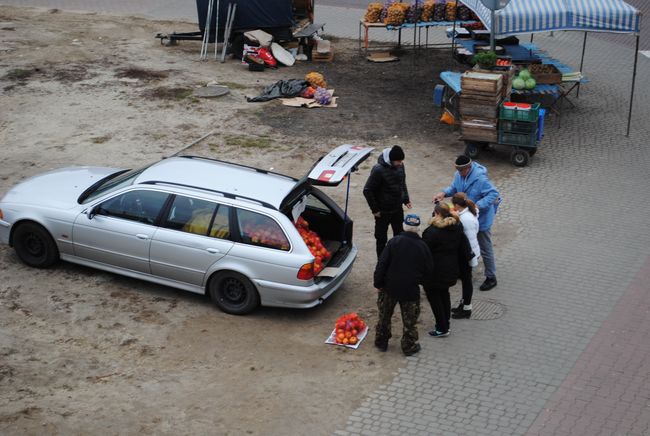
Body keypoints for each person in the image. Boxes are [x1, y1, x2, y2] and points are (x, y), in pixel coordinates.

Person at [433, 155, 500, 291]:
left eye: (461, 170)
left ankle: (491, 277)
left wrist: (476, 206)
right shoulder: (459, 175)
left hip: (481, 219)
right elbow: (454, 189)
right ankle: (463, 269)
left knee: (485, 247)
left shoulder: (480, 179)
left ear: (468, 168)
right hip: (464, 218)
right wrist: (443, 193)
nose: (458, 173)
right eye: (457, 170)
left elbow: (494, 194)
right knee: (463, 244)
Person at [373, 213, 434, 356]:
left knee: (384, 316)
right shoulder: (423, 247)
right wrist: (420, 282)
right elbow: (429, 270)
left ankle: (381, 342)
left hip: (389, 287)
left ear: (404, 226)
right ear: (418, 229)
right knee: (410, 321)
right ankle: (408, 346)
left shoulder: (394, 242)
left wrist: (378, 283)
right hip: (410, 290)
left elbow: (382, 264)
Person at [421, 203, 471, 337]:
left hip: (434, 272)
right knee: (444, 294)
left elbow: (424, 252)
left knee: (434, 298)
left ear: (437, 214)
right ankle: (446, 322)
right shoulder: (456, 227)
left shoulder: (432, 232)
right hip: (451, 269)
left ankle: (442, 328)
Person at [363, 145, 412, 258]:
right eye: (398, 161)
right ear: (391, 160)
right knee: (381, 239)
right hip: (382, 212)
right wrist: (375, 209)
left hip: (397, 209)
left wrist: (406, 199)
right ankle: (381, 261)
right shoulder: (378, 170)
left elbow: (402, 183)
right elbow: (367, 190)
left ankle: (396, 259)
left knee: (399, 235)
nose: (400, 163)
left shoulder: (400, 166)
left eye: (401, 161)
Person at [451, 192, 480, 319]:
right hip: (469, 252)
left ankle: (467, 308)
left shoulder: (464, 219)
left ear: (457, 205)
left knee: (467, 281)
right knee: (465, 280)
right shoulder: (469, 214)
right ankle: (464, 304)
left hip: (466, 254)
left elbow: (464, 239)